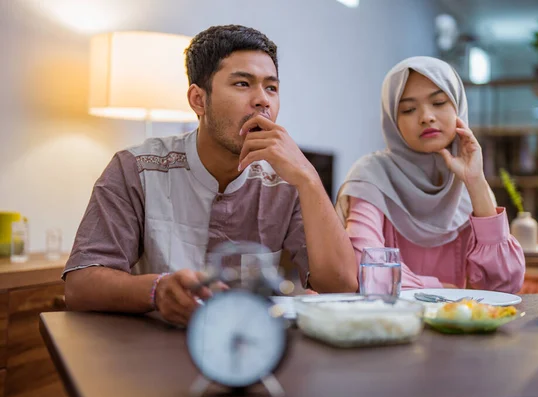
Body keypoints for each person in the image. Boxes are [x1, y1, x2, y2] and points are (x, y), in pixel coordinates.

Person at [64, 25, 357, 326]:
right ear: (198, 100)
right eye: (243, 83)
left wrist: (308, 178)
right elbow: (80, 285)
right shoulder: (136, 169)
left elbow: (343, 287)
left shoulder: (288, 181)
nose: (263, 101)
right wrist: (156, 291)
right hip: (153, 353)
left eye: (271, 88)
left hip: (255, 350)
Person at [336, 56, 525, 293]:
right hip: (389, 322)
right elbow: (366, 269)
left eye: (438, 102)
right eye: (408, 109)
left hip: (457, 325)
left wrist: (476, 181)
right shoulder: (370, 177)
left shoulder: (470, 187)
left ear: (458, 106)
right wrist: (440, 291)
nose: (426, 116)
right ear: (393, 121)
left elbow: (503, 285)